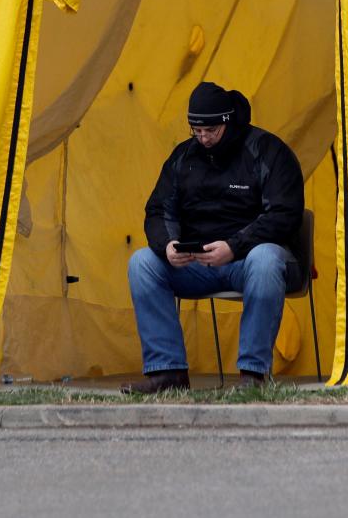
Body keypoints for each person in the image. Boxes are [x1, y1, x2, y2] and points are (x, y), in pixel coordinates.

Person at [123, 81, 304, 393]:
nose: (203, 138)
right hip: (197, 264)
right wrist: (168, 246)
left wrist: (233, 248)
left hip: (249, 260)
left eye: (210, 131)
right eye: (196, 131)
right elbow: (158, 210)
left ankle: (252, 377)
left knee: (265, 258)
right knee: (142, 262)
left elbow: (283, 215)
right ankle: (168, 374)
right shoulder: (184, 156)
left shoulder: (268, 152)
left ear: (227, 122)